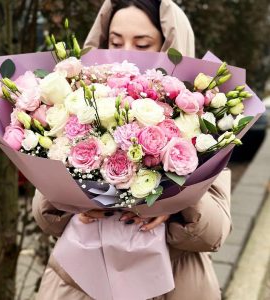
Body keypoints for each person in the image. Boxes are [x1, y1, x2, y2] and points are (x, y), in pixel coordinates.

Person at [33, 0, 232, 299]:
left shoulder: (203, 121)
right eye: (114, 42)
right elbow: (42, 214)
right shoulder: (72, 114)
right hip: (80, 285)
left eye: (142, 44)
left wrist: (174, 202)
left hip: (175, 284)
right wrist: (77, 205)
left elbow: (215, 233)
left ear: (170, 47)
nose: (124, 53)